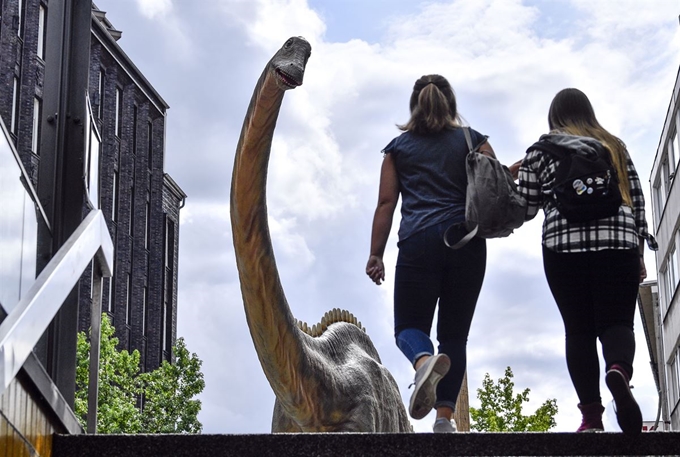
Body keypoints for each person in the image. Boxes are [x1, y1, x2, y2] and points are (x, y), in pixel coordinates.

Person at [514, 88, 657, 435]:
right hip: (618, 241)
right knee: (618, 323)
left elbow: (525, 208)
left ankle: (592, 418)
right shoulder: (613, 146)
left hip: (563, 246)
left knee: (578, 330)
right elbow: (635, 199)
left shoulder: (540, 150)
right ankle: (619, 370)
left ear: (554, 117)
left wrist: (509, 178)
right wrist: (638, 252)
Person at [366, 74, 495, 433]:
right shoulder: (474, 141)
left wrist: (376, 254)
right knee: (454, 336)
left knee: (408, 328)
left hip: (418, 243)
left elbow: (386, 203)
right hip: (466, 242)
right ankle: (444, 420)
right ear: (450, 103)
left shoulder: (397, 149)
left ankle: (423, 362)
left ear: (415, 104)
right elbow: (495, 183)